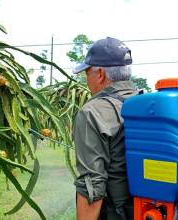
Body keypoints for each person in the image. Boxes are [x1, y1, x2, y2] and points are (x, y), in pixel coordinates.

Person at [72, 37, 137, 220]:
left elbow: (91, 185)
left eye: (87, 74)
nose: (87, 81)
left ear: (100, 74)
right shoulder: (148, 105)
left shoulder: (93, 112)